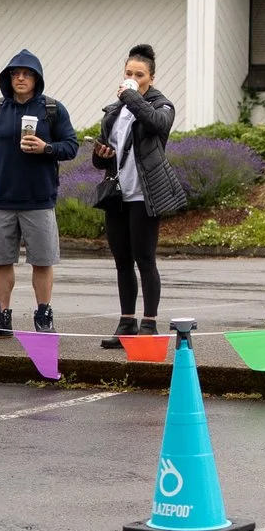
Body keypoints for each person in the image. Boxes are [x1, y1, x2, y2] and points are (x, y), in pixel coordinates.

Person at [0, 48, 77, 336]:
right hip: (2, 198)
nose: (21, 78)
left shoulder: (52, 109)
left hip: (39, 199)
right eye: (16, 74)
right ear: (9, 78)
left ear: (37, 78)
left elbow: (71, 146)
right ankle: (1, 317)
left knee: (42, 260)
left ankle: (43, 315)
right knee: (1, 261)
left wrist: (46, 148)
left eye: (27, 74)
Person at [91, 44, 191, 348]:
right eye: (128, 73)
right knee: (122, 261)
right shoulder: (114, 112)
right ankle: (127, 323)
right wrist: (101, 153)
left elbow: (155, 125)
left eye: (139, 74)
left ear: (152, 78)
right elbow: (103, 159)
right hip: (118, 194)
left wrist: (131, 95)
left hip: (145, 195)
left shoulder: (162, 106)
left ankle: (149, 323)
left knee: (144, 259)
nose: (133, 78)